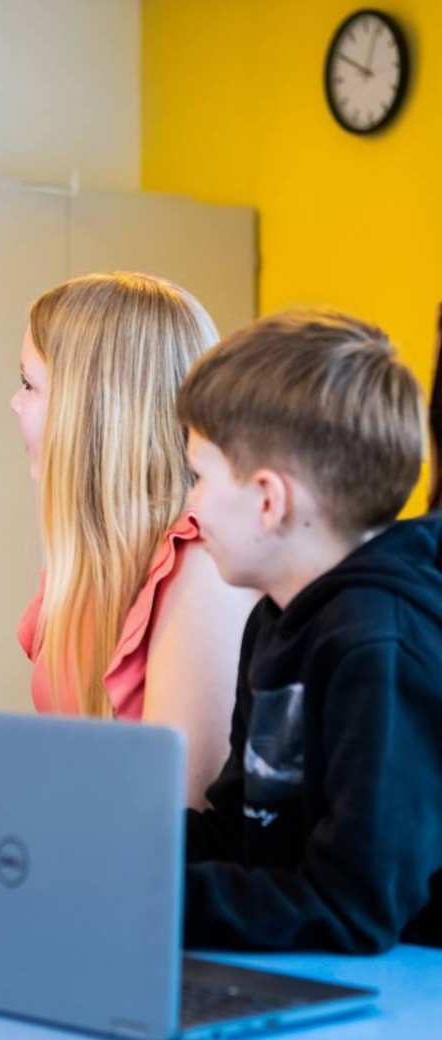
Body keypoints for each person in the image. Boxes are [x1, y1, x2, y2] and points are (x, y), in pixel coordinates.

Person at [178, 310, 442, 951]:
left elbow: (353, 906)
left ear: (269, 499)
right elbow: (244, 831)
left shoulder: (378, 643)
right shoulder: (275, 617)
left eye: (198, 478)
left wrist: (145, 899)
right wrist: (105, 845)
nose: (188, 505)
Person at [12, 273, 257, 805]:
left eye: (30, 385)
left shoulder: (200, 570)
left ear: (93, 408)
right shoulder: (84, 564)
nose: (14, 404)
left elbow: (179, 825)